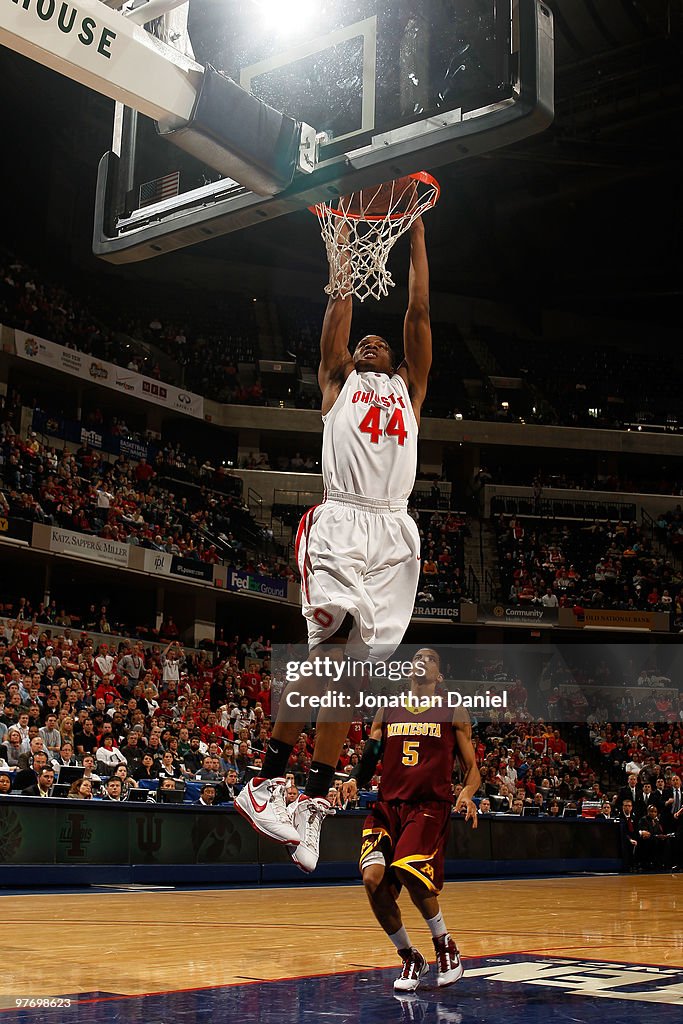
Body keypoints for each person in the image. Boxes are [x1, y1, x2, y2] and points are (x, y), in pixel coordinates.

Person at [237, 216, 433, 873]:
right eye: (364, 343)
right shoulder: (335, 380)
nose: (372, 343)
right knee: (323, 659)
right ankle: (264, 779)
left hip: (394, 535)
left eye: (382, 343)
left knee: (346, 679)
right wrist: (346, 241)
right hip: (343, 524)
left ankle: (311, 805)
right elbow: (342, 305)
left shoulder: (411, 388)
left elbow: (419, 313)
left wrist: (416, 231)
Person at [341, 650, 480, 992]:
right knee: (372, 880)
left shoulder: (453, 710)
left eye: (431, 657)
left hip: (428, 805)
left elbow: (472, 769)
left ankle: (444, 944)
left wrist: (468, 792)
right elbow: (372, 753)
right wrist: (355, 779)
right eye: (417, 656)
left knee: (406, 867)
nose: (422, 660)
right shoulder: (388, 709)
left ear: (439, 674)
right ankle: (409, 955)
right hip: (388, 805)